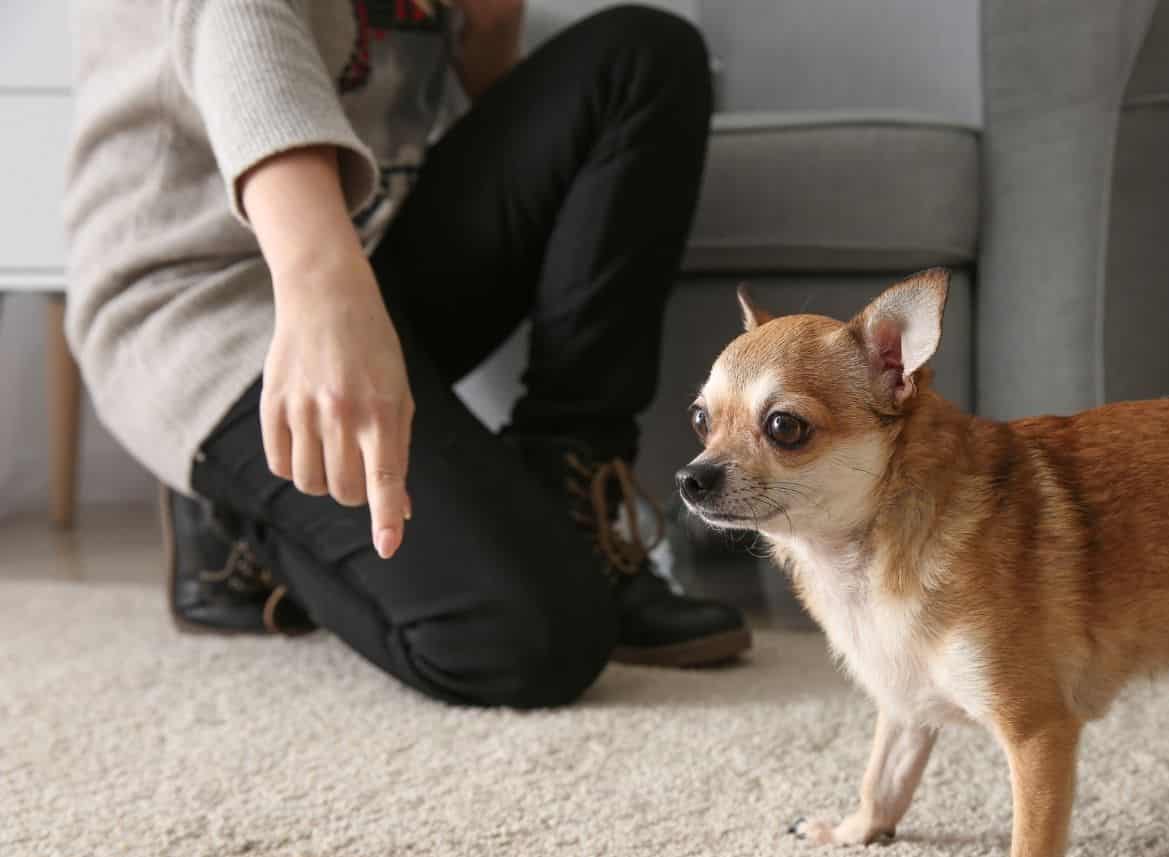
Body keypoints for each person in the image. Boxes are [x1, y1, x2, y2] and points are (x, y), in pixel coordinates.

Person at [63, 0, 751, 708]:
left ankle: (569, 490)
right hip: (200, 310)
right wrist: (323, 289)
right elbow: (240, 24)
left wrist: (487, 29)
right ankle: (236, 524)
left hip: (375, 257)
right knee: (527, 640)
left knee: (640, 53)